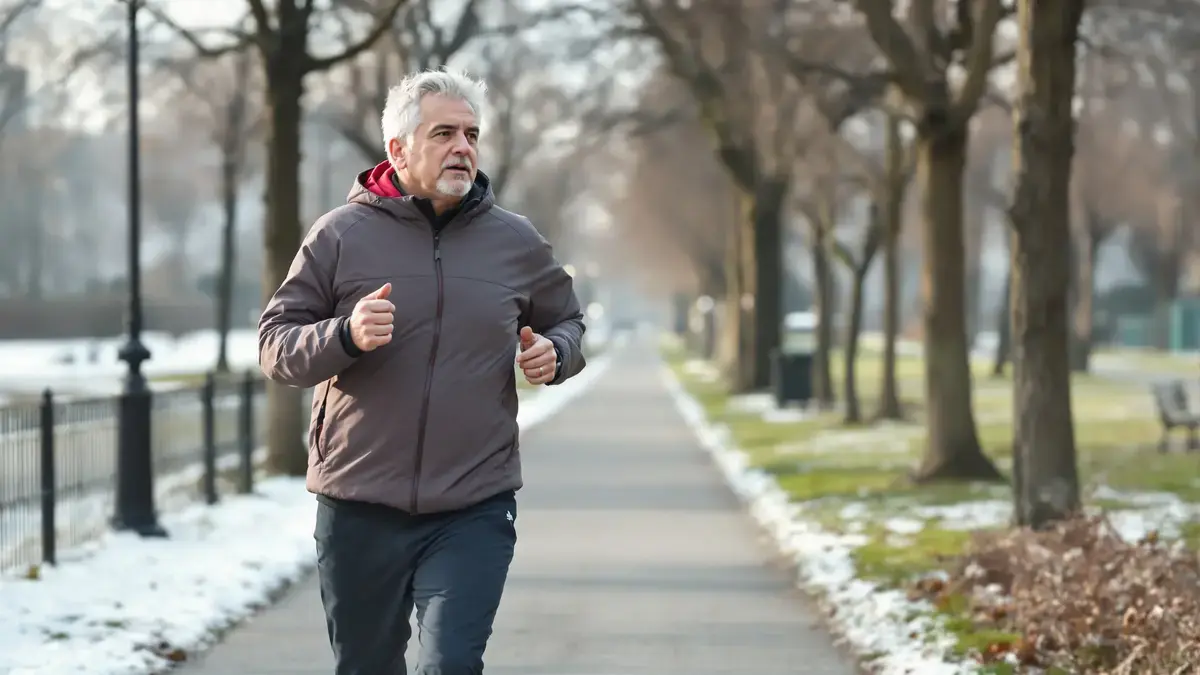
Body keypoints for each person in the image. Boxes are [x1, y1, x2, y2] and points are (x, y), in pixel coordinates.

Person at [256, 67, 587, 675]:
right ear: (398, 149)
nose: (463, 148)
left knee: (451, 664)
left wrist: (556, 353)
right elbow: (275, 346)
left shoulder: (514, 242)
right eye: (443, 134)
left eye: (471, 134)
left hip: (473, 503)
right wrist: (345, 335)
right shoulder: (339, 236)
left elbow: (568, 322)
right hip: (358, 502)